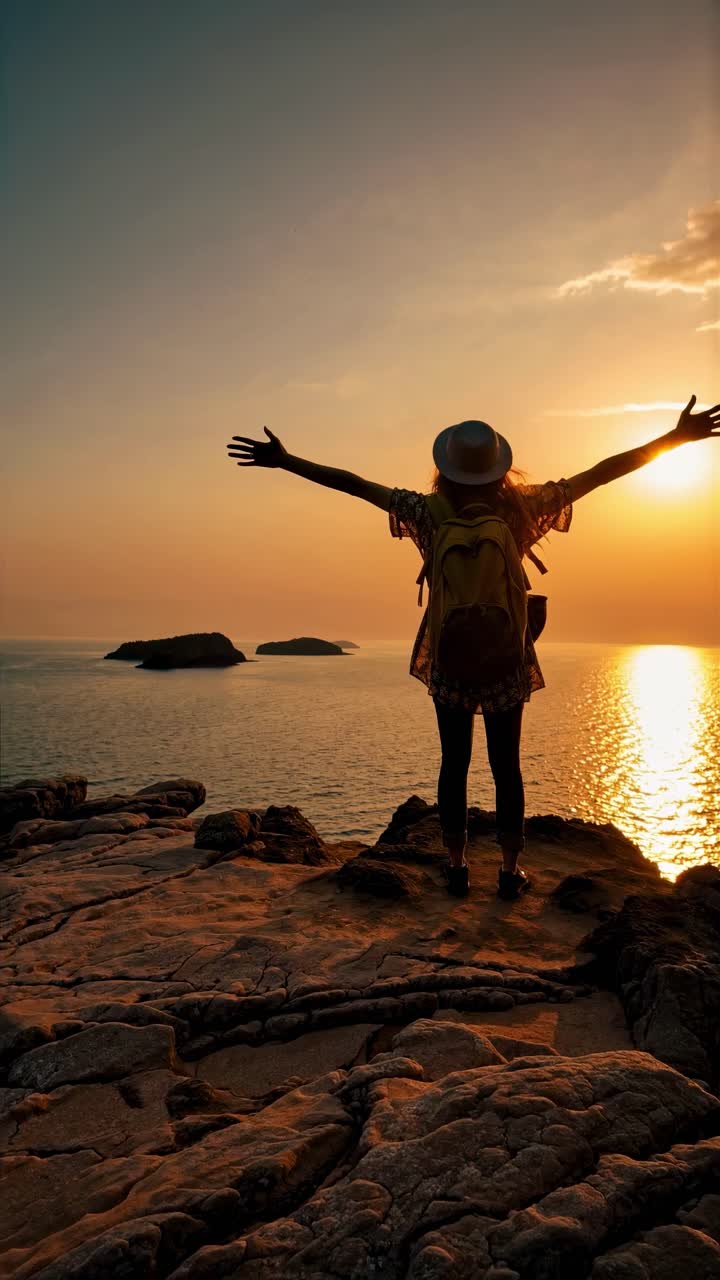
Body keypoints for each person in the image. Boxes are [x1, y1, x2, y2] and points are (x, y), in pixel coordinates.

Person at [227, 394, 719, 901]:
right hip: (507, 656)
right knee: (508, 765)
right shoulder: (522, 508)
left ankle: (457, 866)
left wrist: (286, 461)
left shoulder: (426, 511)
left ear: (445, 469)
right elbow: (600, 472)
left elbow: (353, 484)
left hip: (449, 658)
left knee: (453, 761)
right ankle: (510, 871)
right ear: (499, 468)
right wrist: (674, 439)